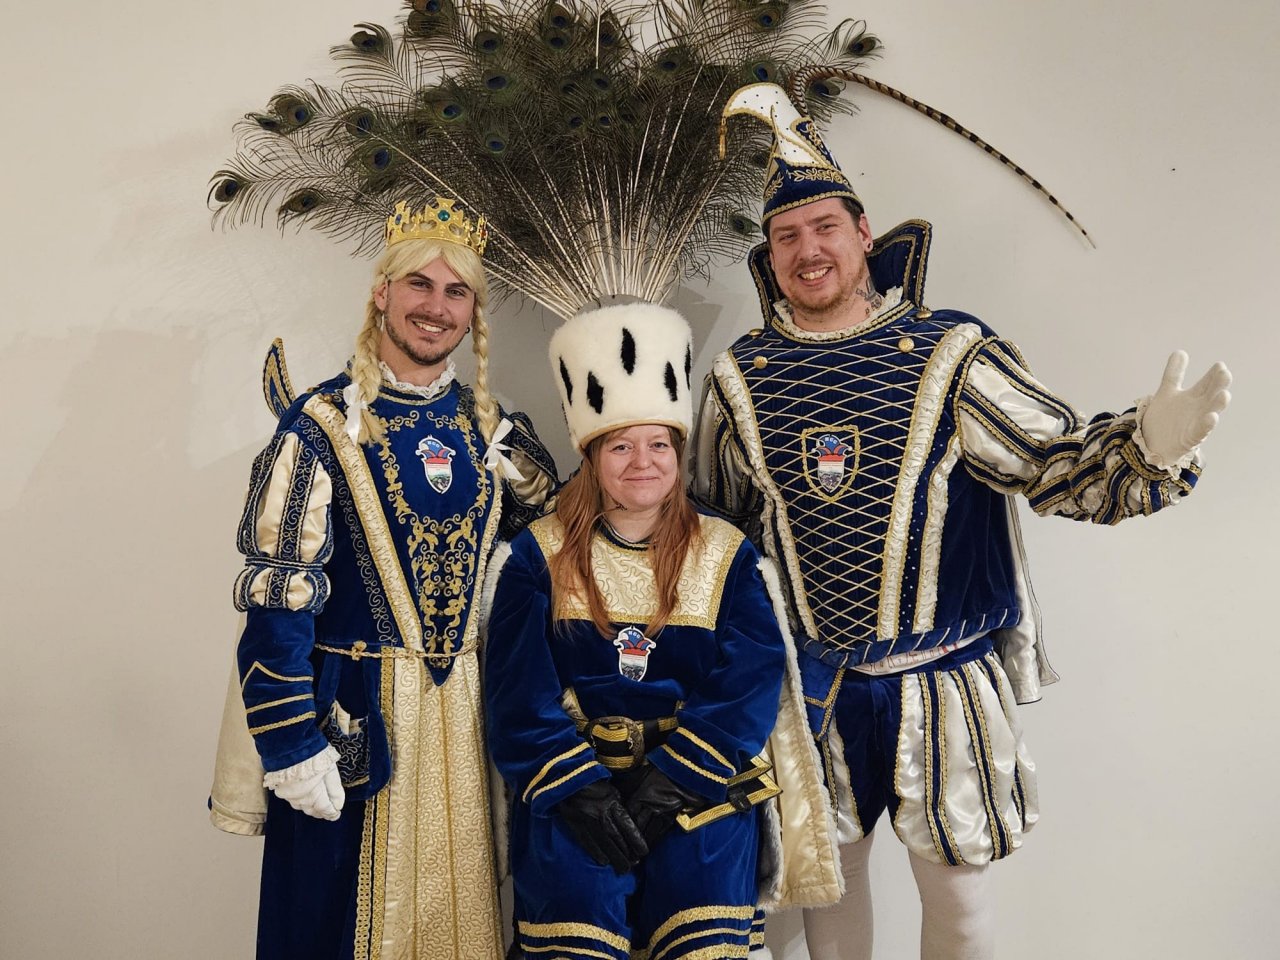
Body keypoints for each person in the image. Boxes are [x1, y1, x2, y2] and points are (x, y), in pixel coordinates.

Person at [695, 83, 1232, 960]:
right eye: (786, 236)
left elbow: (1052, 464)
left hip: (941, 682)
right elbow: (716, 532)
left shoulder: (952, 353)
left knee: (960, 904)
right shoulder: (739, 376)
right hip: (814, 689)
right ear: (770, 254)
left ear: (864, 234)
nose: (808, 250)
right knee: (828, 892)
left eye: (824, 227)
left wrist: (1146, 447)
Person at [213, 197, 558, 960]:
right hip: (353, 723)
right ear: (382, 291)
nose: (436, 308)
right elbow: (277, 597)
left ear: (472, 312)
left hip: (466, 724)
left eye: (456, 292)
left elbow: (549, 549)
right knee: (335, 924)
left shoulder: (490, 427)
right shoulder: (320, 427)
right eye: (419, 285)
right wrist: (289, 740)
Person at [483, 303, 835, 960]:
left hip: (699, 789)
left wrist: (678, 777)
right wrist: (576, 788)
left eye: (658, 444)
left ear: (678, 452)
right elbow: (516, 695)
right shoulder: (537, 555)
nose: (641, 462)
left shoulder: (727, 554)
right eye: (620, 445)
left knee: (700, 931)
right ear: (592, 455)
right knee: (575, 932)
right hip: (577, 794)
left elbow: (749, 683)